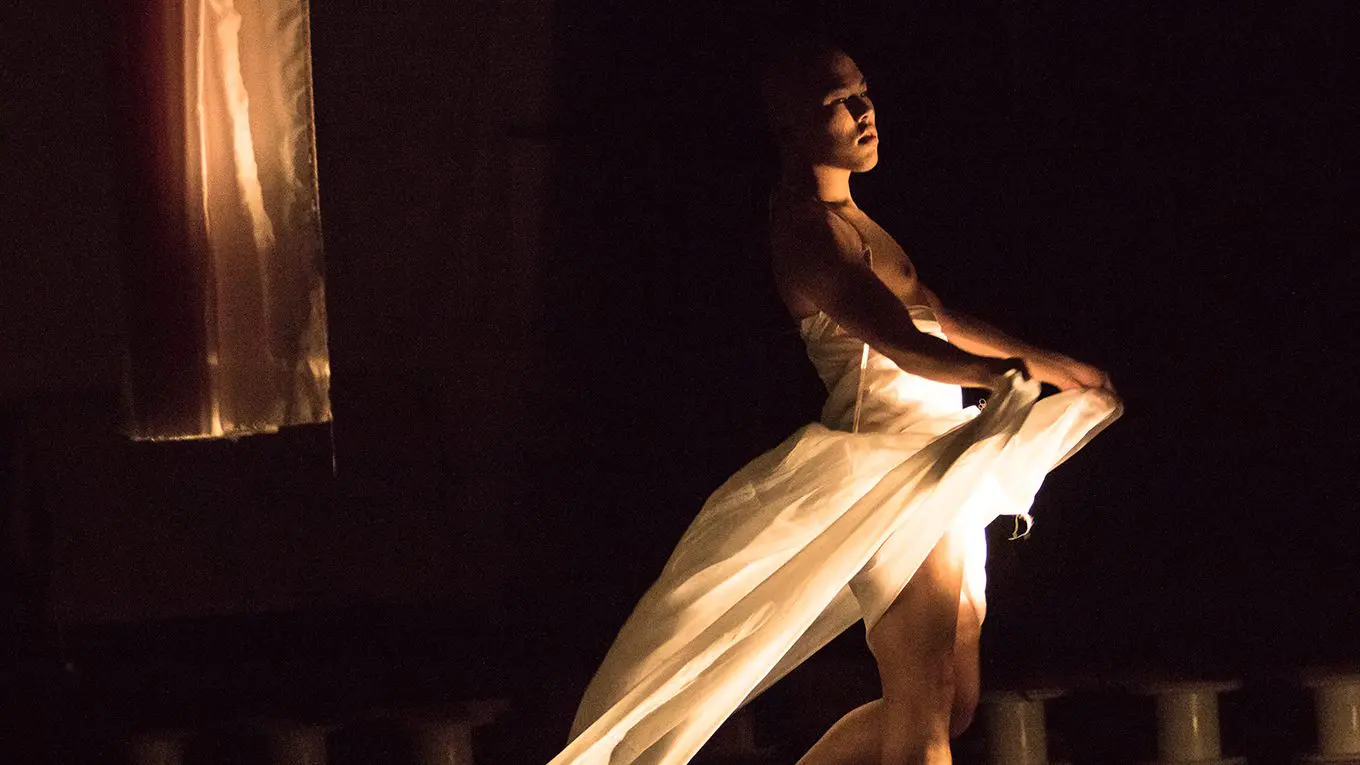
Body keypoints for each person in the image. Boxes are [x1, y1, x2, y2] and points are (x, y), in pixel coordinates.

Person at [547, 40, 1121, 765]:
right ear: (790, 128)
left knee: (953, 704)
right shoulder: (808, 230)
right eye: (837, 104)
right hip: (887, 476)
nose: (864, 111)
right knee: (923, 703)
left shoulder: (854, 217)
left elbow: (934, 317)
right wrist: (1000, 375)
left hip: (935, 461)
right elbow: (901, 345)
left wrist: (1060, 368)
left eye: (863, 92)